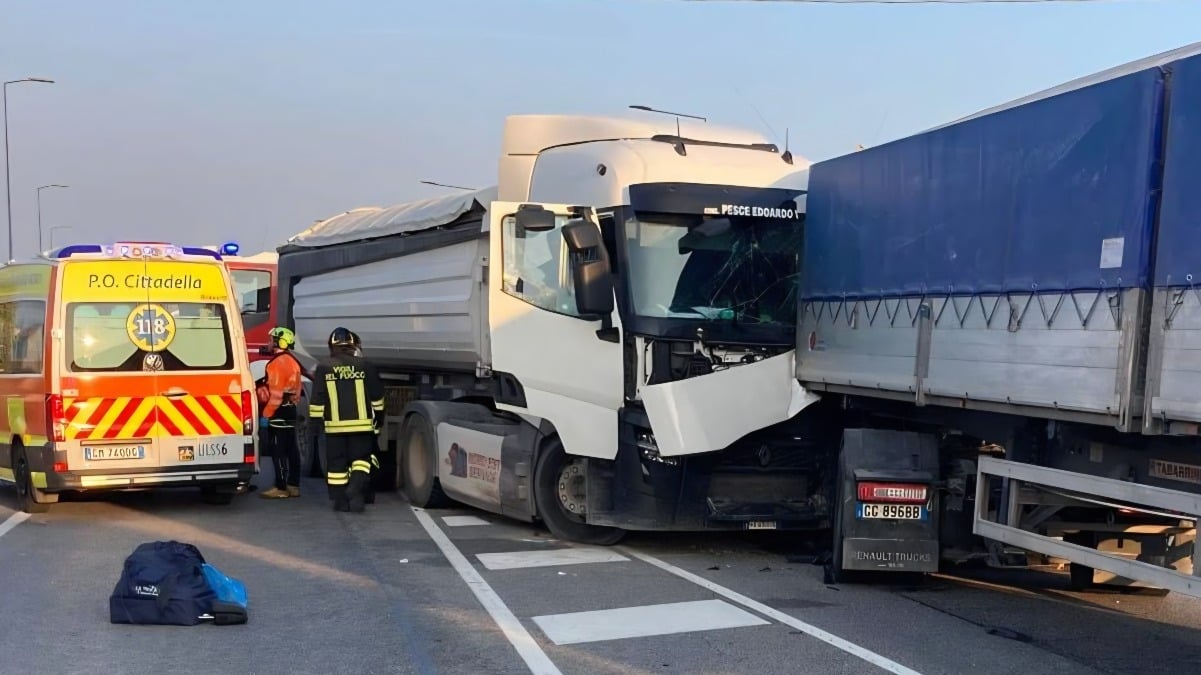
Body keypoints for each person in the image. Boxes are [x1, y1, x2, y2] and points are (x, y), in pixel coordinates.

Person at [308, 326, 386, 512]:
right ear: (353, 345)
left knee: (336, 466)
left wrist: (314, 425)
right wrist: (379, 418)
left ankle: (340, 501)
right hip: (362, 427)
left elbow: (318, 399)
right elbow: (377, 397)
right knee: (361, 460)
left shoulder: (324, 367)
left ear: (331, 346)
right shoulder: (366, 365)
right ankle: (355, 491)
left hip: (335, 429)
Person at [258, 327, 305, 499]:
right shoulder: (293, 362)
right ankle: (293, 485)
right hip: (290, 410)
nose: (269, 343)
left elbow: (276, 394)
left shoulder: (276, 364)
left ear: (279, 342)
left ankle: (280, 487)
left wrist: (267, 415)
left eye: (272, 340)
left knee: (278, 451)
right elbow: (297, 391)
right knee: (292, 449)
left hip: (277, 412)